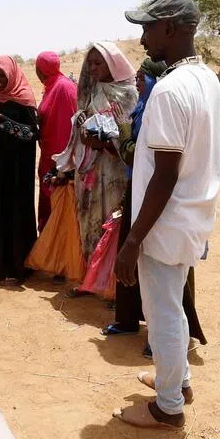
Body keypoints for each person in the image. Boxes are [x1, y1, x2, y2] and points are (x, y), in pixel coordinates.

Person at [113, 0, 220, 430]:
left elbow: (164, 175)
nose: (142, 37)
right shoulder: (205, 80)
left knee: (161, 314)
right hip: (189, 218)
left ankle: (168, 407)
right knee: (172, 305)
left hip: (164, 224)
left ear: (172, 29)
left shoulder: (169, 90)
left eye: (149, 27)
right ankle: (178, 380)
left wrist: (133, 240)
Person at [102, 58, 207, 355]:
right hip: (136, 192)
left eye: (141, 78)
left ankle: (166, 341)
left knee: (165, 270)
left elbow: (138, 156)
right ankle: (129, 319)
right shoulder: (143, 107)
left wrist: (122, 132)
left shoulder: (161, 108)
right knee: (133, 258)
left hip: (159, 196)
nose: (136, 83)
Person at [59, 43, 137, 282]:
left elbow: (131, 135)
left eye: (98, 63)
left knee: (111, 223)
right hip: (90, 170)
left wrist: (104, 143)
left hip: (114, 172)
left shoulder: (129, 94)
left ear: (112, 63)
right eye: (90, 63)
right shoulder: (90, 91)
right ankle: (91, 279)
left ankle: (113, 285)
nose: (92, 68)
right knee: (89, 221)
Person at [0, 55, 40, 285]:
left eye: (1, 75)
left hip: (18, 168)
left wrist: (2, 121)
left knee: (16, 211)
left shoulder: (24, 98)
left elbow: (32, 133)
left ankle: (17, 267)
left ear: (11, 74)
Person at [35, 51, 78, 231]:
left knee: (59, 202)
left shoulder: (63, 88)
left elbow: (67, 127)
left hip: (60, 159)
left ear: (40, 70)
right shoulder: (52, 86)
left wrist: (63, 164)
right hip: (49, 155)